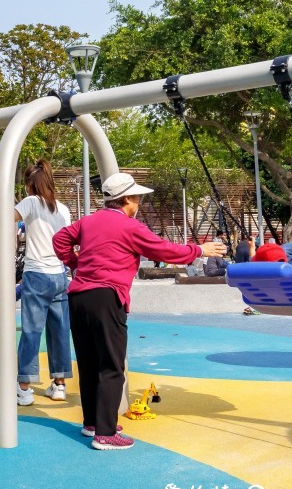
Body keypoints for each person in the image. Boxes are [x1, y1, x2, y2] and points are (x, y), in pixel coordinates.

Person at [52, 173, 225, 451]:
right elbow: (165, 250)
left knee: (88, 363)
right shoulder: (130, 227)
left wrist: (75, 263)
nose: (140, 202)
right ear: (128, 199)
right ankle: (105, 434)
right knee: (111, 365)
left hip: (78, 297)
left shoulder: (89, 221)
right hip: (107, 297)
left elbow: (60, 239)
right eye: (138, 197)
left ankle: (93, 422)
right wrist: (199, 250)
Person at [14, 159, 72, 406]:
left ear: (31, 184)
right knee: (59, 331)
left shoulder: (29, 203)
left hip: (36, 274)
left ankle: (25, 388)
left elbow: (6, 219)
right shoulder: (63, 209)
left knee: (31, 330)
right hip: (59, 275)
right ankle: (59, 385)